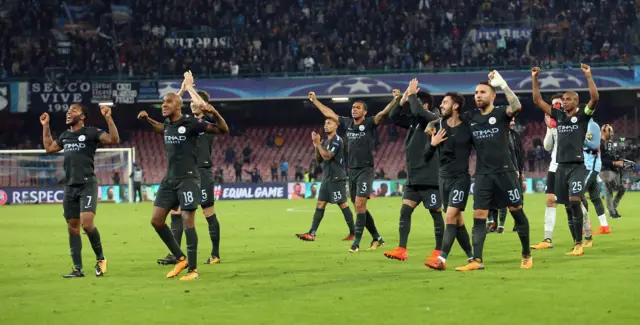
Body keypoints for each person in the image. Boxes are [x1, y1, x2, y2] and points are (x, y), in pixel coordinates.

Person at [137, 71, 224, 280]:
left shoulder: (193, 123)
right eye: (163, 103)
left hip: (190, 177)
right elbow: (162, 124)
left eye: (168, 103)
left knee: (191, 218)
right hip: (169, 179)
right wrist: (149, 119)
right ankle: (180, 257)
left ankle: (195, 268)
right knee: (157, 220)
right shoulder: (170, 125)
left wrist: (192, 92)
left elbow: (222, 128)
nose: (164, 105)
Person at [456, 71, 533, 271]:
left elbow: (517, 107)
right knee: (479, 214)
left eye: (482, 92)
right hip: (482, 174)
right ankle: (477, 260)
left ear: (492, 96)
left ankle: (526, 254)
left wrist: (503, 85)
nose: (478, 95)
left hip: (505, 172)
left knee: (516, 211)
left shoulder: (500, 113)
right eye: (475, 92)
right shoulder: (470, 117)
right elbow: (448, 118)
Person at [308, 90, 398, 252]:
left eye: (358, 108)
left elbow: (383, 113)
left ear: (364, 112)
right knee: (359, 207)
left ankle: (356, 243)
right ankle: (377, 238)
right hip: (353, 171)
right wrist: (315, 101)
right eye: (353, 107)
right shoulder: (347, 123)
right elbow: (330, 113)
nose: (354, 109)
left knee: (359, 203)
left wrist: (395, 100)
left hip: (366, 170)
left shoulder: (370, 123)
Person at [40, 103, 120, 278]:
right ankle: (78, 269)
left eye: (73, 111)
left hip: (87, 184)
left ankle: (101, 259)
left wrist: (108, 118)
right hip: (70, 186)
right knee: (72, 227)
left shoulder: (91, 132)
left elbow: (114, 140)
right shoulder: (66, 136)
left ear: (83, 116)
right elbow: (49, 148)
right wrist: (46, 126)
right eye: (68, 111)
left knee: (87, 223)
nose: (69, 113)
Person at [154, 85, 229, 266]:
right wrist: (181, 91)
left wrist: (190, 88)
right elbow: (172, 108)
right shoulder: (185, 123)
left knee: (207, 212)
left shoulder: (207, 120)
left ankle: (215, 253)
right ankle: (176, 254)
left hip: (202, 172)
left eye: (195, 102)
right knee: (176, 212)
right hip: (184, 175)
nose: (192, 104)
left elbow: (206, 109)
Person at [531, 64, 599, 256]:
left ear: (577, 102)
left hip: (577, 167)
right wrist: (535, 78)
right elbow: (537, 100)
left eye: (569, 99)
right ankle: (577, 244)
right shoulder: (559, 116)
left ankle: (581, 241)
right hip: (560, 167)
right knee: (568, 206)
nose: (565, 102)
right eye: (564, 99)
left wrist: (588, 76)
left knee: (575, 200)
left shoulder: (583, 115)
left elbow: (595, 98)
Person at [384, 80, 444, 261]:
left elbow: (418, 110)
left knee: (435, 213)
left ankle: (439, 250)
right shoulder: (414, 121)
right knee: (405, 211)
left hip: (429, 176)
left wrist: (411, 94)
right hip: (414, 176)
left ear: (423, 104)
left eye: (413, 101)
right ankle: (401, 249)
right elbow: (393, 116)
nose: (411, 106)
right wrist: (401, 101)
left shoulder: (434, 117)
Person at [423, 92, 475, 270]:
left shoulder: (468, 126)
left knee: (450, 216)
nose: (442, 105)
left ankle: (442, 259)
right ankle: (472, 256)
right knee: (458, 220)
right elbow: (425, 157)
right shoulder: (438, 127)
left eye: (445, 102)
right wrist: (433, 143)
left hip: (461, 178)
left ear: (456, 106)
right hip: (443, 179)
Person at [296, 119, 355, 241]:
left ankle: (354, 233)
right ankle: (312, 233)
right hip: (327, 178)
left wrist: (318, 144)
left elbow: (328, 157)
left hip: (336, 177)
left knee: (342, 203)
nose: (326, 125)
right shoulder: (327, 141)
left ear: (336, 125)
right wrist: (316, 145)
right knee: (320, 203)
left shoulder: (336, 140)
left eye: (329, 123)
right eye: (325, 124)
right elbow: (320, 160)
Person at [530, 94, 562, 249]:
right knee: (550, 201)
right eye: (554, 104)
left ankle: (586, 233)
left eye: (559, 104)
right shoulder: (552, 124)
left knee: (575, 203)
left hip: (570, 167)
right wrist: (550, 129)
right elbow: (548, 147)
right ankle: (547, 239)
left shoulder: (572, 122)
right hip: (554, 166)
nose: (556, 106)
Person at [488, 116, 525, 233]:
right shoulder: (495, 134)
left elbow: (519, 154)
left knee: (518, 198)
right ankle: (493, 224)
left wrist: (520, 170)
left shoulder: (515, 135)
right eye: (511, 120)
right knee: (494, 198)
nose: (513, 123)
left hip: (514, 170)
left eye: (514, 120)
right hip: (498, 170)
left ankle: (518, 224)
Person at [600, 124, 625, 220]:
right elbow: (600, 159)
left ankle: (613, 208)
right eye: (609, 131)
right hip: (605, 170)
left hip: (615, 170)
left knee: (621, 189)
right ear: (603, 131)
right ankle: (611, 212)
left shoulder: (610, 143)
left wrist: (621, 161)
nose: (611, 133)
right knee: (609, 191)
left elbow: (614, 156)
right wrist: (614, 162)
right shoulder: (599, 143)